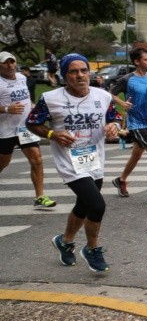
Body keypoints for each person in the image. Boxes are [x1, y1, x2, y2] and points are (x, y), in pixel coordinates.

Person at [26, 53, 122, 272]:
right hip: (69, 161)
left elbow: (114, 117)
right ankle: (92, 248)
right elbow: (32, 122)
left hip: (94, 159)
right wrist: (52, 134)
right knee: (97, 205)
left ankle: (65, 241)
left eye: (84, 70)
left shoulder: (102, 96)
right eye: (73, 71)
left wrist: (114, 126)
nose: (80, 75)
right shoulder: (50, 98)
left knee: (84, 205)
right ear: (64, 75)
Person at [109, 47, 147, 204]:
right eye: (146, 59)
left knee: (136, 155)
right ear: (137, 62)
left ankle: (121, 180)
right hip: (135, 123)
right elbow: (110, 93)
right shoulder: (127, 80)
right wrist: (122, 103)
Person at [0, 51, 57, 209]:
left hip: (25, 128)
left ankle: (40, 196)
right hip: (5, 129)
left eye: (12, 61)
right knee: (3, 162)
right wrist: (7, 109)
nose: (10, 65)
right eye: (5, 62)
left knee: (37, 160)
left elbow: (26, 98)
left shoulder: (21, 78)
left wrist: (34, 107)